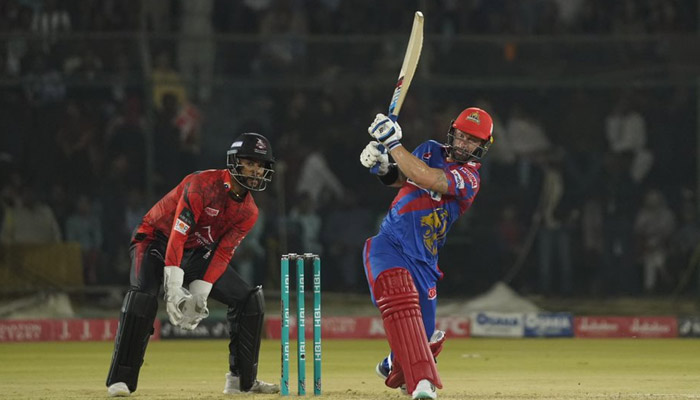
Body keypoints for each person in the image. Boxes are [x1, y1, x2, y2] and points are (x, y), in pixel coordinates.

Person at [106, 132, 279, 397]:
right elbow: (178, 232)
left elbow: (222, 254)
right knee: (143, 296)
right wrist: (174, 288)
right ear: (234, 162)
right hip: (155, 240)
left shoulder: (249, 212)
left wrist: (199, 295)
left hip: (197, 251)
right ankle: (121, 381)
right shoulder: (202, 184)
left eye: (261, 165)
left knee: (248, 299)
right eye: (250, 162)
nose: (256, 170)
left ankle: (241, 381)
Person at [359, 108, 494, 400]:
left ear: (482, 146)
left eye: (473, 140)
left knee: (425, 341)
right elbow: (406, 177)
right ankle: (423, 382)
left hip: (424, 262)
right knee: (398, 298)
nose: (464, 143)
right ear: (452, 131)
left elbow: (430, 179)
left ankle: (393, 364)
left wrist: (393, 145)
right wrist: (385, 167)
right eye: (461, 135)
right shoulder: (430, 149)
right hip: (391, 244)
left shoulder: (469, 178)